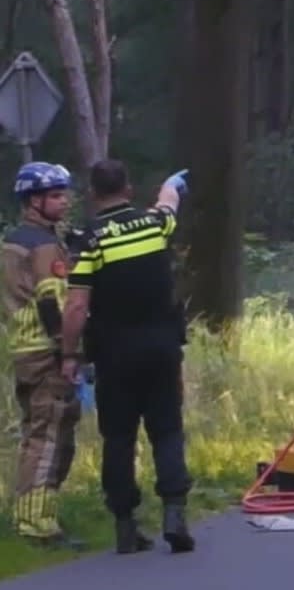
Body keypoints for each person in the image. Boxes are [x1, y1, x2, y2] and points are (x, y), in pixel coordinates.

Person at [59, 161, 194, 555]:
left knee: (118, 436)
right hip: (162, 346)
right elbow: (169, 205)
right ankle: (175, 514)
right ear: (129, 190)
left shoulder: (88, 240)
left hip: (114, 353)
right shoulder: (154, 225)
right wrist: (171, 185)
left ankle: (124, 524)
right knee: (167, 429)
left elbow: (76, 307)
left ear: (92, 194)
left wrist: (70, 354)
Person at [3, 162, 84, 548]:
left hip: (23, 350)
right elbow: (54, 302)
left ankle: (30, 515)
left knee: (36, 433)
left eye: (64, 193)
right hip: (48, 352)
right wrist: (69, 351)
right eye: (55, 195)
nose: (64, 201)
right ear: (33, 201)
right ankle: (38, 526)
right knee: (51, 437)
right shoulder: (43, 244)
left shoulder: (13, 241)